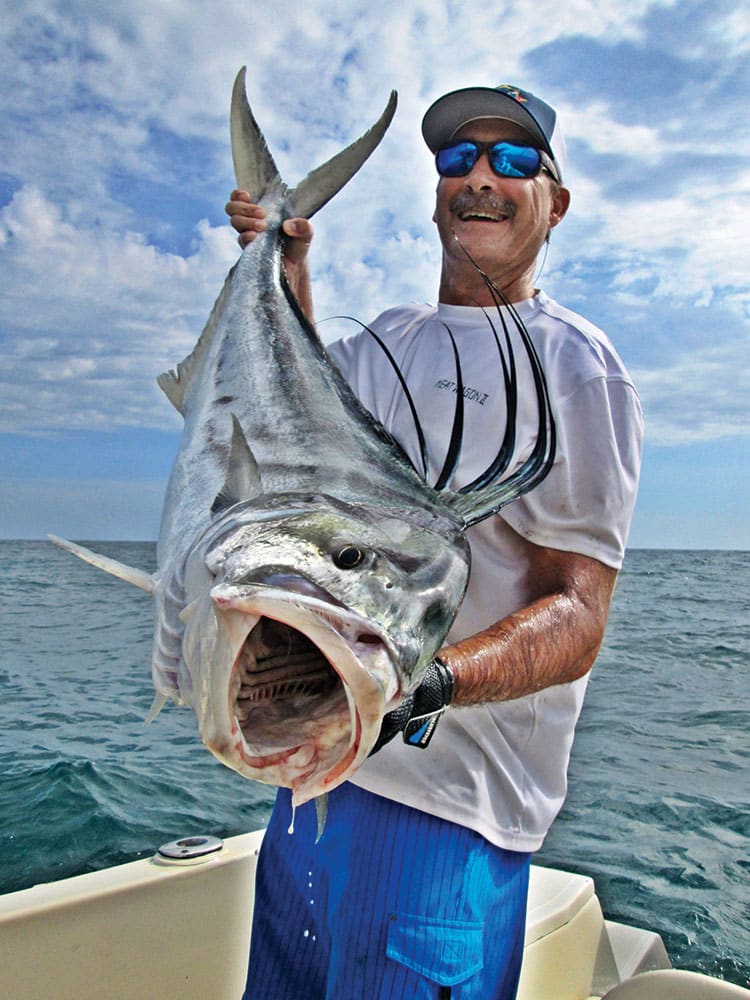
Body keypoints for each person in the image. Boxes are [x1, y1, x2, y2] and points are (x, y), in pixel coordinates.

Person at [226, 83, 643, 999]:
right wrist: (280, 264)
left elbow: (578, 614)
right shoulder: (381, 344)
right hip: (314, 782)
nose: (482, 178)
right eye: (459, 160)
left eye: (514, 160)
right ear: (436, 193)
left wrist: (428, 680)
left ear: (555, 201)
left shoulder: (578, 366)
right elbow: (293, 434)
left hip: (450, 820)